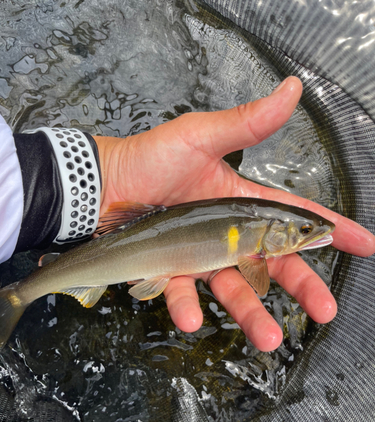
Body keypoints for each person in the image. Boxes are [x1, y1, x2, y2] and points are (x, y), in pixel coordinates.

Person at [1, 77, 374, 352]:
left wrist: (106, 172)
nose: (308, 234)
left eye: (304, 230)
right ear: (270, 233)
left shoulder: (253, 232)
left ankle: (20, 295)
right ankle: (16, 297)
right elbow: (257, 283)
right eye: (304, 230)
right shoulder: (255, 254)